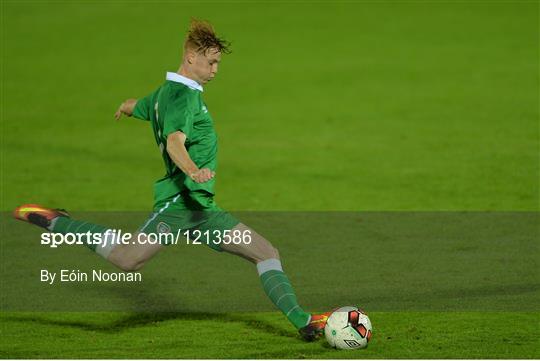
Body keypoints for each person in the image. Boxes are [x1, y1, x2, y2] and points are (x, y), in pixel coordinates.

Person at [14, 19, 330, 341]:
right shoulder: (183, 98)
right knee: (128, 259)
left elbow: (148, 107)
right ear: (191, 57)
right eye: (211, 62)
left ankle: (304, 322)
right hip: (179, 203)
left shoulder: (168, 91)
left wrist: (127, 106)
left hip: (203, 209)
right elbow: (174, 141)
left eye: (218, 62)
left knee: (266, 251)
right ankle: (58, 222)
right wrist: (193, 171)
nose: (216, 69)